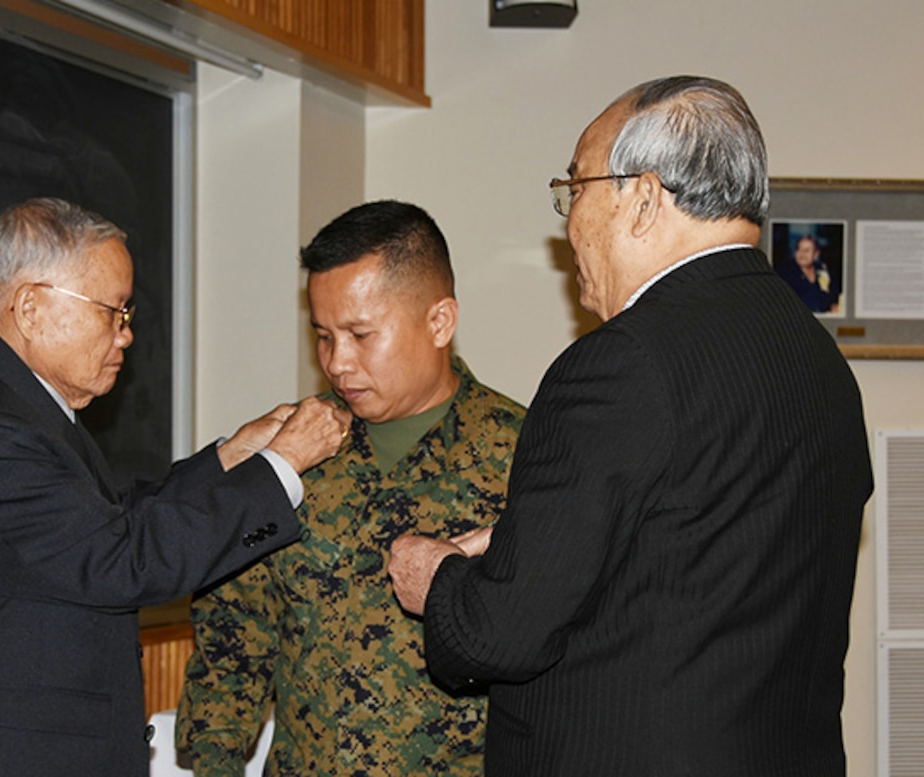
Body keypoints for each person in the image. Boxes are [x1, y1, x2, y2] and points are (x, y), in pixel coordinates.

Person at [389, 76, 873, 776]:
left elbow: (502, 635)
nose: (567, 222)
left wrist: (438, 579)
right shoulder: (816, 358)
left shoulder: (619, 364)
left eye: (575, 189)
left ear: (642, 198)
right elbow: (710, 564)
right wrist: (543, 543)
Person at [0, 197, 350, 777]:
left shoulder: (15, 403)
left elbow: (106, 522)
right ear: (31, 308)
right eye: (114, 312)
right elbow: (120, 559)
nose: (126, 336)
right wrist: (283, 464)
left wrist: (233, 458)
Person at [175, 200, 525, 776]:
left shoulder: (523, 459)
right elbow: (236, 635)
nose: (338, 363)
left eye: (361, 335)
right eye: (323, 336)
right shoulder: (297, 454)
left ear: (439, 322)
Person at [776, 234, 840, 312]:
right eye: (798, 249)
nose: (802, 254)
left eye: (806, 250)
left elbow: (833, 297)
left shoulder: (823, 271)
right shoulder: (785, 273)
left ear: (816, 254)